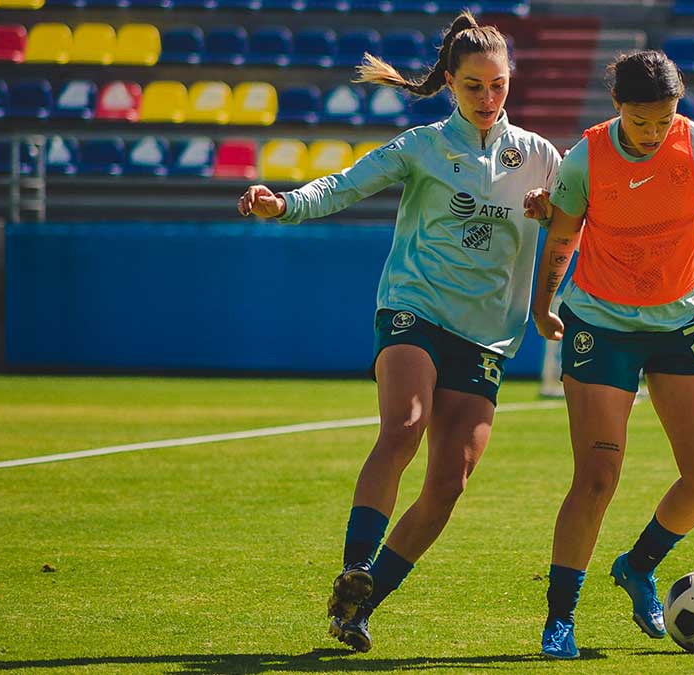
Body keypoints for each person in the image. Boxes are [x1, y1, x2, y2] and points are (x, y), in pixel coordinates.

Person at [237, 11, 561, 653]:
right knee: (405, 425)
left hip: (489, 335)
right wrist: (285, 205)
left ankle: (357, 605)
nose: (488, 98)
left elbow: (579, 221)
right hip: (414, 308)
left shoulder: (543, 158)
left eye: (498, 85)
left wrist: (553, 218)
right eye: (474, 86)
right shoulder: (421, 147)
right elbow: (343, 185)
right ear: (449, 83)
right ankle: (357, 560)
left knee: (449, 483)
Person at [527, 50, 694, 659]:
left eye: (664, 119)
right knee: (597, 476)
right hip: (599, 324)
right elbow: (564, 235)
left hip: (680, 321)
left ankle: (637, 564)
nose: (653, 132)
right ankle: (560, 619)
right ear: (618, 108)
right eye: (640, 120)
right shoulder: (585, 159)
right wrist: (545, 303)